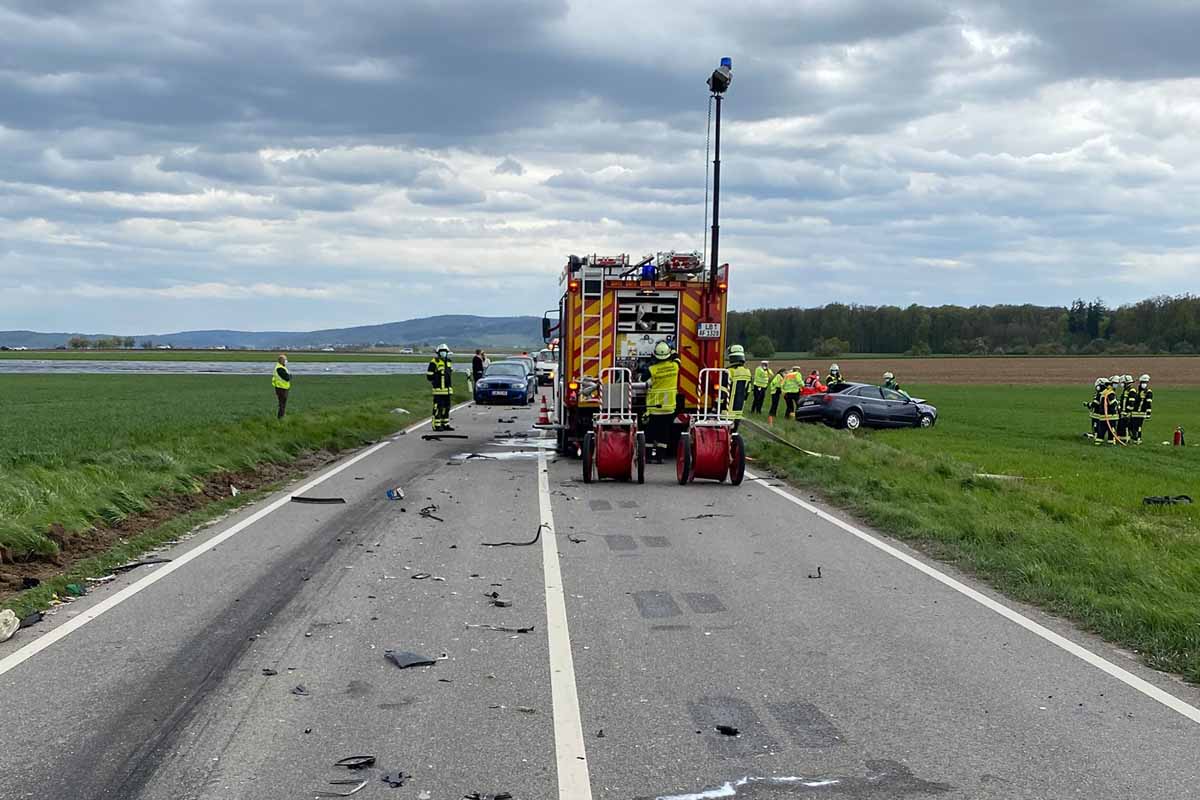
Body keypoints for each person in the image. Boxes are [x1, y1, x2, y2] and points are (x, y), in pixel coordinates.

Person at [641, 340, 679, 463]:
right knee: (664, 433)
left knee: (650, 433)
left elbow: (642, 378)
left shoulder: (652, 369)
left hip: (654, 408)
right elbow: (677, 358)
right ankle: (660, 457)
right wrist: (672, 349)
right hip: (669, 408)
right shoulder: (675, 366)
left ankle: (647, 457)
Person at [720, 344, 753, 431]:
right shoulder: (747, 372)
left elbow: (722, 392)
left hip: (726, 412)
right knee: (733, 434)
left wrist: (716, 408)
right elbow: (748, 391)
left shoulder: (728, 372)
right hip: (738, 411)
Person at [427, 343, 454, 432]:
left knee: (447, 408)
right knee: (438, 408)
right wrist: (436, 379)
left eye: (445, 352)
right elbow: (429, 376)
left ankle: (445, 424)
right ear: (438, 352)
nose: (443, 353)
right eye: (442, 352)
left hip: (447, 390)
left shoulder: (449, 361)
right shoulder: (434, 361)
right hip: (438, 390)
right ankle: (436, 425)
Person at [1128, 374, 1153, 444]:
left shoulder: (1148, 392)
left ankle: (1138, 439)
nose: (1143, 384)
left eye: (1145, 382)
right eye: (1142, 382)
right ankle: (1134, 438)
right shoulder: (1138, 391)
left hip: (1141, 413)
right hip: (1134, 413)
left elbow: (1149, 403)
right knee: (1131, 427)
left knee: (1138, 427)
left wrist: (1148, 413)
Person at [271, 354, 291, 419]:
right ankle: (280, 417)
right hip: (281, 388)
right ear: (282, 360)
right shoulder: (280, 368)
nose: (286, 361)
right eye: (285, 359)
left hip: (282, 387)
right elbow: (287, 377)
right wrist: (290, 376)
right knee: (282, 404)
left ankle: (281, 416)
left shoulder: (280, 367)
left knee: (282, 404)